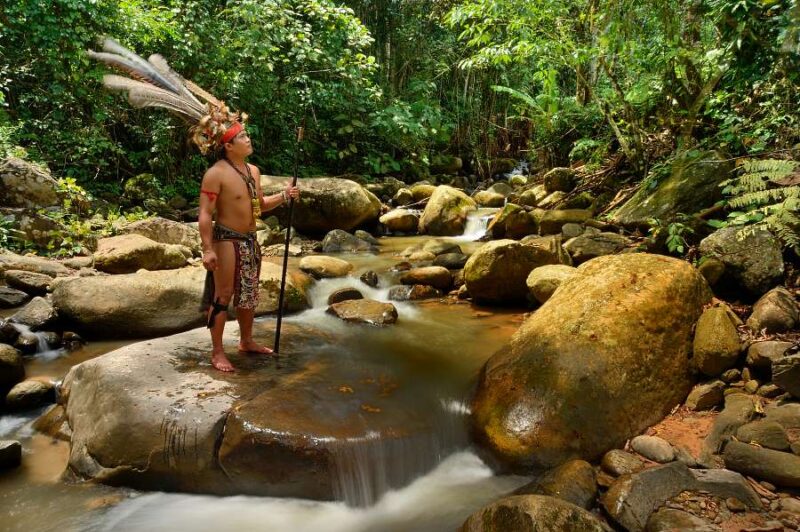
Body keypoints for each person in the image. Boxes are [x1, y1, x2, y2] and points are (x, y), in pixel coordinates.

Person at [198, 122, 300, 372]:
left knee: (249, 294)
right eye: (242, 136)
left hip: (250, 240)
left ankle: (246, 341)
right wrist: (207, 248)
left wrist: (285, 195)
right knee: (222, 296)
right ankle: (218, 351)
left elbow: (259, 206)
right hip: (226, 240)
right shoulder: (216, 173)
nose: (248, 139)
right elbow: (205, 213)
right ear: (228, 145)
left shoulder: (253, 171)